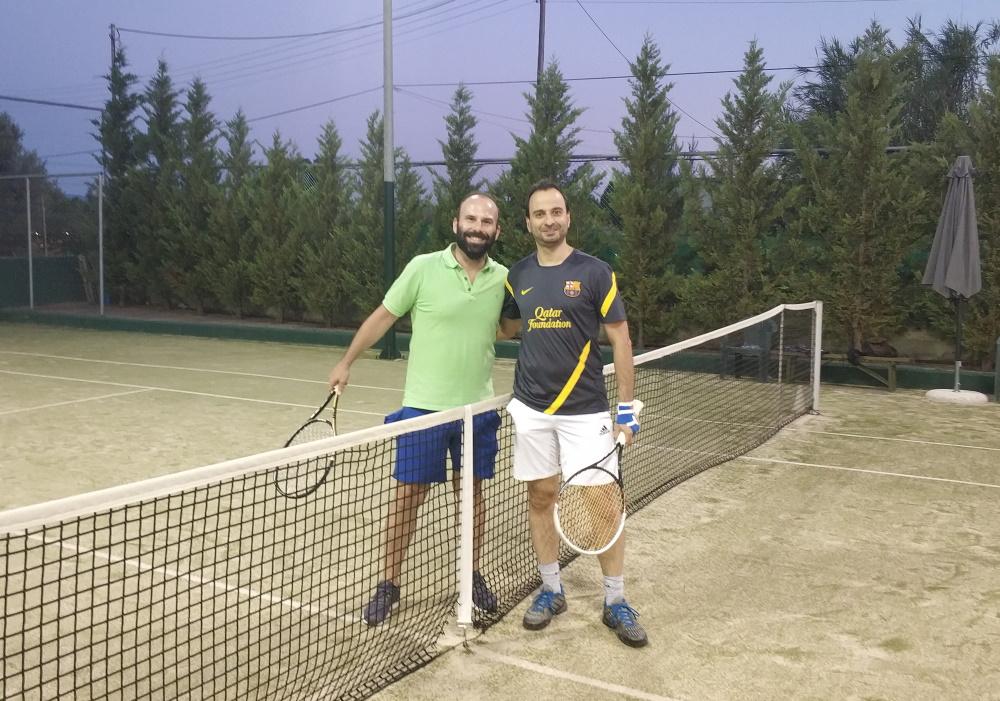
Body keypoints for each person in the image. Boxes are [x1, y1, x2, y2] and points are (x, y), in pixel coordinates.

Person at [329, 192, 507, 626]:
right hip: (423, 410)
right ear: (455, 224)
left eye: (486, 222)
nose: (477, 227)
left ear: (497, 231)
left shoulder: (503, 278)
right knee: (407, 497)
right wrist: (346, 361)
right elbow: (383, 316)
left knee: (472, 496)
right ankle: (388, 583)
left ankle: (471, 575)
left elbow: (511, 327)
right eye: (470, 219)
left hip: (477, 411)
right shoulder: (422, 268)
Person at [498, 180, 647, 647]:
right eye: (540, 214)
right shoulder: (516, 275)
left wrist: (627, 410)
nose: (549, 220)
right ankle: (551, 590)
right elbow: (507, 327)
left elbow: (621, 339)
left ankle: (616, 600)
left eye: (556, 212)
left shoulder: (595, 272)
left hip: (585, 411)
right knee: (540, 496)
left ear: (568, 217)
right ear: (528, 223)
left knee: (603, 505)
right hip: (531, 409)